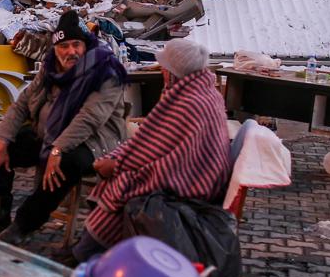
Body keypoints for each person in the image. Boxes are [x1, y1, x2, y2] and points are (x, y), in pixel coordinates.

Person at [0, 10, 127, 245]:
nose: (70, 51)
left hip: (94, 142)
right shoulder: (51, 67)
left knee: (65, 164)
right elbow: (21, 104)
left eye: (76, 45)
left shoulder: (105, 71)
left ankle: (23, 225)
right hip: (50, 135)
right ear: (56, 48)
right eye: (64, 46)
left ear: (86, 45)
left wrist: (57, 149)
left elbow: (90, 118)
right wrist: (2, 142)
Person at [74, 39, 231, 262]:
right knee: (120, 176)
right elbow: (153, 143)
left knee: (123, 183)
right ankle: (91, 249)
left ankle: (88, 252)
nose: (162, 73)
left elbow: (152, 151)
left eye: (165, 68)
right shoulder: (204, 92)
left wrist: (115, 164)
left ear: (173, 72)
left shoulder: (187, 102)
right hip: (198, 175)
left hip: (190, 182)